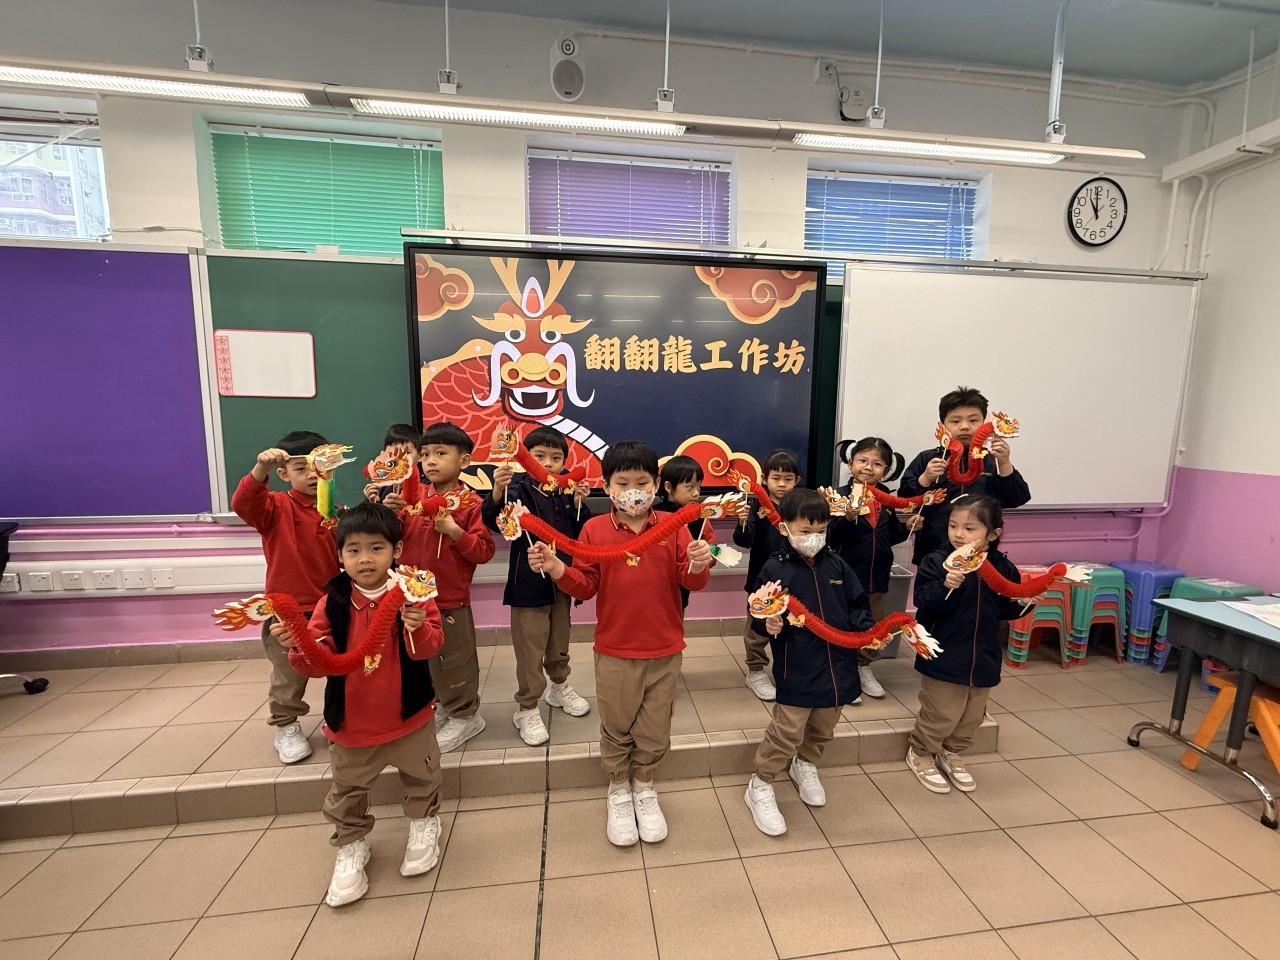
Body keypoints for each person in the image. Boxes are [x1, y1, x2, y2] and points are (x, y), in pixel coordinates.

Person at [527, 441, 713, 847]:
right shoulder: (594, 529)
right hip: (614, 648)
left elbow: (691, 580)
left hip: (665, 646)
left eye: (642, 482)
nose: (633, 491)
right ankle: (617, 788)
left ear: (656, 485)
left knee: (655, 726)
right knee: (616, 725)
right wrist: (557, 567)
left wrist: (699, 563)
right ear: (607, 486)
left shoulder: (675, 525)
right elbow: (586, 586)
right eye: (622, 482)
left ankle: (644, 785)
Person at [272, 502, 446, 907]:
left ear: (396, 550)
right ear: (340, 555)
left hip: (409, 716)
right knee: (348, 790)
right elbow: (317, 663)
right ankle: (352, 844)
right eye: (354, 550)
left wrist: (419, 626)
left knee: (422, 776)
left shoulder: (414, 592)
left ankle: (424, 823)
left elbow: (431, 647)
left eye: (376, 548)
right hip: (352, 724)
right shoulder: (331, 602)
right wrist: (299, 646)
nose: (365, 558)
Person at [743, 488, 876, 836]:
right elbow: (757, 611)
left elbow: (858, 605)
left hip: (839, 666)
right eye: (805, 530)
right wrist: (767, 624)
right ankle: (761, 783)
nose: (814, 537)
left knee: (823, 728)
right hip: (797, 665)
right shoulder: (775, 568)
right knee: (787, 730)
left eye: (821, 530)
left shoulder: (837, 565)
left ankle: (805, 764)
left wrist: (869, 631)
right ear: (785, 528)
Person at [906, 494, 1028, 794]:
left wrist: (1026, 600)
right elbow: (922, 601)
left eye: (969, 528)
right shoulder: (937, 561)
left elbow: (1006, 609)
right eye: (953, 526)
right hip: (944, 653)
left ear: (993, 534)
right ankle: (921, 752)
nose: (958, 534)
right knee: (941, 711)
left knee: (973, 715)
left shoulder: (1002, 566)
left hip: (983, 655)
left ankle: (951, 751)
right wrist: (944, 585)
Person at [231, 430, 337, 765]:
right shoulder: (275, 506)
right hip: (287, 610)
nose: (312, 475)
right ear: (284, 473)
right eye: (301, 468)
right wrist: (259, 468)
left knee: (339, 668)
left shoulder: (335, 511)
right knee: (288, 674)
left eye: (319, 467)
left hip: (330, 607)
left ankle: (340, 721)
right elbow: (243, 504)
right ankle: (286, 725)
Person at [482, 425, 592, 746]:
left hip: (561, 580)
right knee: (530, 649)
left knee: (560, 640)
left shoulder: (567, 489)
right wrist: (497, 492)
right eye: (539, 456)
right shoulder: (517, 487)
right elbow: (495, 520)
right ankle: (527, 707)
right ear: (526, 458)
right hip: (528, 584)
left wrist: (579, 503)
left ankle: (559, 687)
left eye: (555, 458)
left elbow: (580, 533)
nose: (548, 463)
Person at [390, 422, 496, 753]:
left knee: (454, 659)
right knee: (421, 657)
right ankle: (439, 706)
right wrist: (390, 514)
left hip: (450, 600)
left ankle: (466, 715)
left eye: (440, 453)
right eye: (424, 455)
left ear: (464, 461)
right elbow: (393, 540)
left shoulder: (471, 503)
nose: (430, 461)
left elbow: (484, 551)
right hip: (410, 598)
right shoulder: (412, 497)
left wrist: (454, 531)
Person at [827, 437, 920, 702]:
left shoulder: (887, 500)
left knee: (873, 625)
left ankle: (863, 666)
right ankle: (842, 672)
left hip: (877, 577)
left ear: (886, 470)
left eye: (877, 464)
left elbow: (888, 536)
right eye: (863, 460)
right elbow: (830, 536)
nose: (868, 467)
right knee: (842, 624)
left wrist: (907, 527)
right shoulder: (837, 496)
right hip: (844, 577)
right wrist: (848, 517)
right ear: (850, 463)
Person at [898, 386, 1031, 564]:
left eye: (973, 420)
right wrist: (926, 478)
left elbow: (1017, 499)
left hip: (979, 552)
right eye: (955, 421)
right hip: (933, 547)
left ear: (984, 423)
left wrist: (1005, 463)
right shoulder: (928, 458)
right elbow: (904, 499)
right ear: (943, 425)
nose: (965, 426)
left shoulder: (992, 460)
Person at [732, 448, 800, 702]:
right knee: (757, 629)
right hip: (761, 580)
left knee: (792, 625)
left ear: (797, 481)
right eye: (776, 478)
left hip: (794, 580)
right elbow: (744, 541)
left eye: (788, 479)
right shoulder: (756, 505)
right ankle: (756, 671)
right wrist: (742, 522)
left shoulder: (800, 506)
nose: (782, 484)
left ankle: (788, 668)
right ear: (764, 479)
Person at [654, 455, 719, 612]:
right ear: (668, 487)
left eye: (699, 487)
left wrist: (705, 558)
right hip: (655, 580)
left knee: (677, 616)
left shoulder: (701, 515)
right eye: (690, 487)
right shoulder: (654, 514)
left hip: (683, 582)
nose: (696, 493)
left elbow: (713, 549)